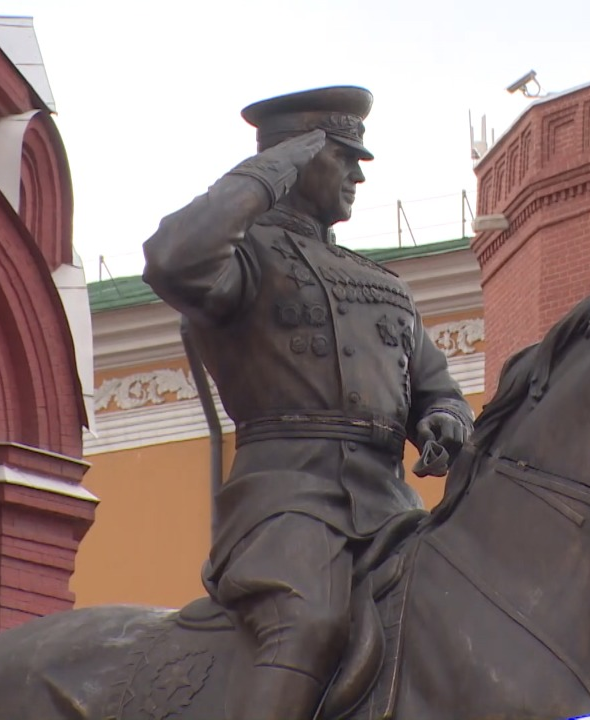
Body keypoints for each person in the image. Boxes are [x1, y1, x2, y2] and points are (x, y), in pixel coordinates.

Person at [142, 86, 473, 720]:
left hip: (393, 511)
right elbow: (170, 258)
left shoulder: (384, 286)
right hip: (286, 507)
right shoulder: (243, 262)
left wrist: (444, 424)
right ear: (296, 160)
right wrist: (268, 172)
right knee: (310, 622)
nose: (357, 172)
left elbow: (441, 392)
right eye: (341, 156)